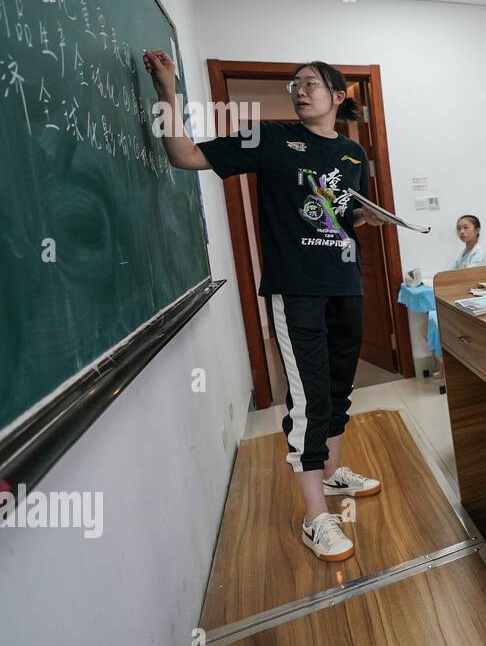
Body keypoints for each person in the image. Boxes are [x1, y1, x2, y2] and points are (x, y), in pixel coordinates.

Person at [146, 52, 381, 562]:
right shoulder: (268, 139)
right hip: (297, 290)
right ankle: (315, 516)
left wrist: (368, 218)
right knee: (308, 399)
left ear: (338, 97)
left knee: (339, 389)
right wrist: (169, 91)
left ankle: (333, 472)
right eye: (295, 84)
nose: (299, 90)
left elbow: (346, 216)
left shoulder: (351, 154)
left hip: (346, 283)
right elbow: (184, 156)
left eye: (311, 83)